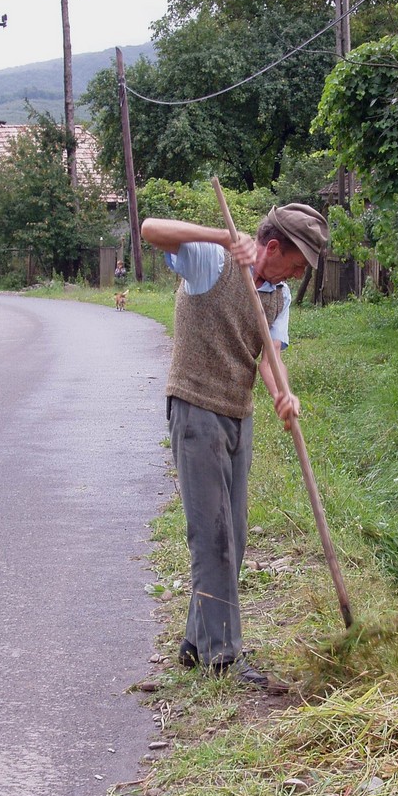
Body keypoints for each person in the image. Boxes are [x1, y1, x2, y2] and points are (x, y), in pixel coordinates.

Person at [140, 203, 329, 688]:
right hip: (196, 408)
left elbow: (269, 355)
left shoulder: (279, 295)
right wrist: (224, 237)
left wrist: (282, 395)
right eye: (298, 261)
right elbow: (150, 229)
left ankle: (194, 642)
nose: (299, 272)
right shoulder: (215, 261)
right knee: (213, 536)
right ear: (272, 247)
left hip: (237, 416)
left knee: (234, 534)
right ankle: (223, 656)